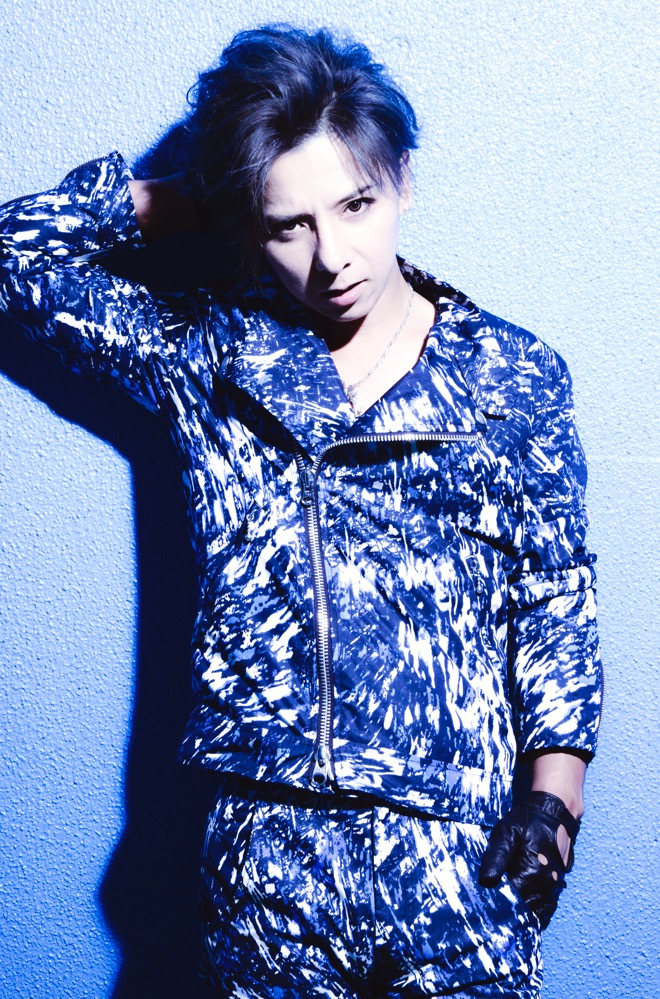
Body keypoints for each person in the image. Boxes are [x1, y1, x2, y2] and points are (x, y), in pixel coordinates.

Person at [0, 24, 601, 999]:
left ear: (402, 180)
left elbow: (556, 600)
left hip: (460, 852)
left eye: (356, 204)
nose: (334, 258)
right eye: (290, 225)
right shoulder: (209, 356)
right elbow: (13, 253)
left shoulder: (511, 375)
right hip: (268, 860)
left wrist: (553, 806)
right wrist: (208, 198)